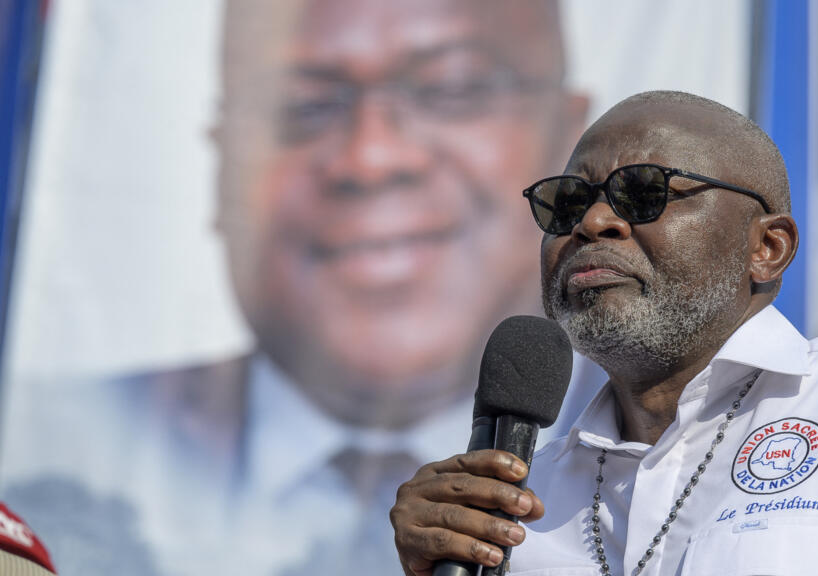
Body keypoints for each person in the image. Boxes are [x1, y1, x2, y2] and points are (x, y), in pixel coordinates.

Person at [0, 1, 601, 574]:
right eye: (304, 106)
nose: (371, 157)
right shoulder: (59, 445)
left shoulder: (635, 465)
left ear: (567, 142)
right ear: (221, 160)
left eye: (452, 88)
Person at [390, 91, 818, 575]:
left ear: (767, 248)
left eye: (643, 192)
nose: (594, 221)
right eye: (567, 202)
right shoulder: (520, 505)